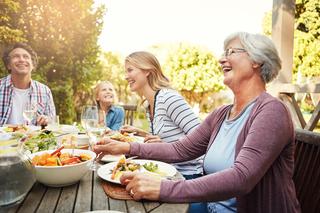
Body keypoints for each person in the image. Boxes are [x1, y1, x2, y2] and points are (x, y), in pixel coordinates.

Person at [94, 32, 301, 213]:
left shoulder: (271, 111)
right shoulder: (222, 113)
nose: (222, 59)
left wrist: (163, 188)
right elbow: (180, 150)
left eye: (231, 52)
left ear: (256, 61)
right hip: (209, 206)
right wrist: (128, 146)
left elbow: (242, 178)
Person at [120, 51, 202, 179]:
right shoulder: (149, 104)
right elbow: (163, 139)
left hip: (187, 175)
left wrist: (165, 145)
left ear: (147, 71)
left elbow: (202, 139)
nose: (126, 76)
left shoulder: (168, 98)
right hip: (165, 171)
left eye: (130, 70)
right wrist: (140, 132)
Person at [0, 43, 56, 126]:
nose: (22, 60)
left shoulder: (44, 91)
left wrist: (47, 121)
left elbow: (53, 123)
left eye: (26, 57)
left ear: (33, 65)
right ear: (8, 65)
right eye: (16, 56)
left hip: (33, 138)